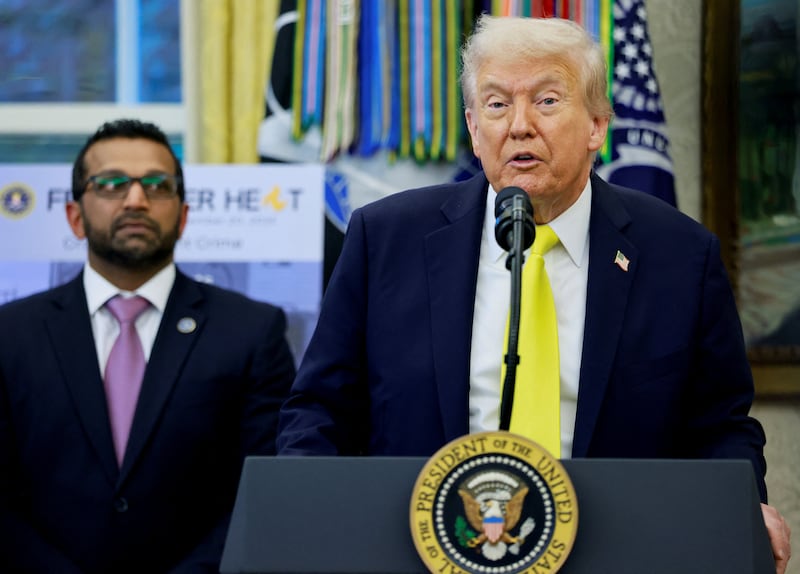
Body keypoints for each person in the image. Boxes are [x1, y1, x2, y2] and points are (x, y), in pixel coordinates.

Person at [277, 15, 791, 573]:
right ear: (474, 130)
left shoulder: (679, 257)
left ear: (597, 124)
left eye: (546, 101)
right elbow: (319, 410)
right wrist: (308, 516)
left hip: (620, 556)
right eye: (496, 105)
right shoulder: (386, 239)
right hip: (418, 554)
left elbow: (719, 425)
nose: (518, 126)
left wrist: (744, 506)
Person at [0, 119, 296, 573]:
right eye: (112, 184)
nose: (136, 200)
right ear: (74, 217)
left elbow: (265, 487)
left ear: (183, 215)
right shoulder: (12, 333)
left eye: (158, 185)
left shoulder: (252, 331)